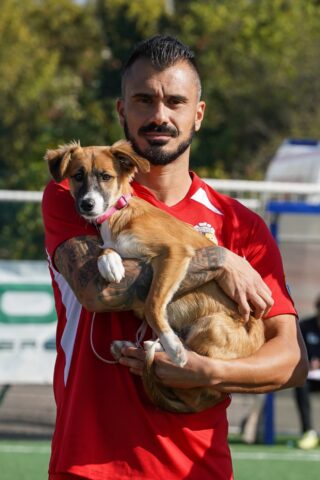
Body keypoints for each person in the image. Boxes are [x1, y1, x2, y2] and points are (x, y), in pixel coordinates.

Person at [42, 35, 308, 480]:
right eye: (143, 100)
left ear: (197, 115)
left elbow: (291, 359)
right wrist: (216, 259)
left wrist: (210, 372)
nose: (159, 115)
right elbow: (100, 289)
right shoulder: (77, 196)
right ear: (121, 110)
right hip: (89, 465)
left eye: (175, 101)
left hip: (198, 468)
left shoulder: (241, 224)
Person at [294, 295, 320, 449]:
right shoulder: (304, 326)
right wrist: (307, 362)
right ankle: (308, 431)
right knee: (301, 386)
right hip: (310, 377)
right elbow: (296, 351)